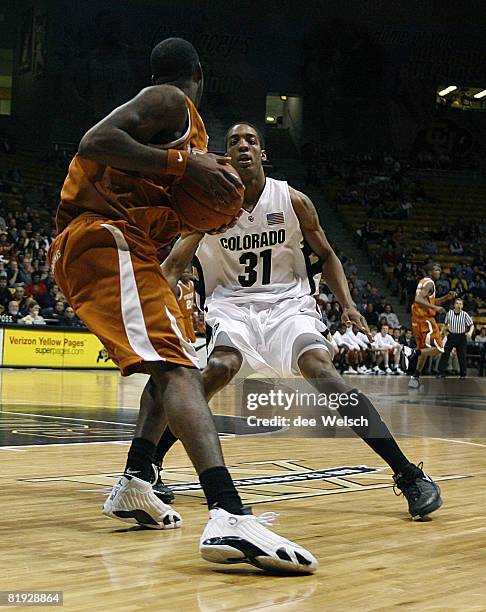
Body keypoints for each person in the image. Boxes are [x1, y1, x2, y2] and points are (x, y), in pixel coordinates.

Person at [48, 38, 316, 574]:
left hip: (125, 245)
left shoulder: (186, 135)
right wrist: (183, 166)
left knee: (173, 366)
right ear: (199, 72)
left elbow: (169, 196)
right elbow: (95, 140)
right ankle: (227, 512)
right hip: (101, 238)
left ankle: (136, 480)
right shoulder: (170, 100)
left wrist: (201, 203)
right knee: (177, 369)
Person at [155, 122, 442, 521]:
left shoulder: (292, 199)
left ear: (263, 154)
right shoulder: (206, 207)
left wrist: (348, 304)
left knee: (321, 370)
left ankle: (408, 473)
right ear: (224, 157)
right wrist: (145, 315)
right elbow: (171, 267)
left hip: (289, 304)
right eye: (234, 141)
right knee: (220, 367)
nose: (242, 146)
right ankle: (151, 464)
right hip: (232, 305)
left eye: (251, 141)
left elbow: (326, 255)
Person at [408, 263, 456, 388]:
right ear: (430, 271)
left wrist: (446, 297)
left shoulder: (424, 282)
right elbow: (418, 299)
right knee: (439, 348)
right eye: (437, 269)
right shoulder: (430, 283)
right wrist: (435, 308)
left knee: (425, 350)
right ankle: (413, 352)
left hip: (417, 320)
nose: (439, 271)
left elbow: (427, 300)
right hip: (426, 320)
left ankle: (415, 378)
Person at [437, 298, 474, 379]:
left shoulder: (465, 314)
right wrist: (441, 333)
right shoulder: (449, 313)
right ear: (454, 305)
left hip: (461, 337)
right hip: (451, 336)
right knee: (445, 354)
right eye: (457, 303)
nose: (459, 305)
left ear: (462, 305)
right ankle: (441, 372)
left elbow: (471, 325)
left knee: (462, 355)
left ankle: (463, 374)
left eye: (460, 304)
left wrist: (470, 332)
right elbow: (446, 325)